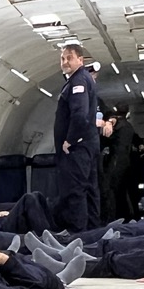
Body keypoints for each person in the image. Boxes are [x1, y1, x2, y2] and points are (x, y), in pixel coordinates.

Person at [53, 44, 101, 232]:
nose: (65, 62)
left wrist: (70, 140)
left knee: (76, 191)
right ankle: (93, 233)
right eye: (63, 58)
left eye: (69, 58)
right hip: (87, 146)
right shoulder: (80, 79)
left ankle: (77, 235)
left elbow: (80, 115)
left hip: (78, 148)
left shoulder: (78, 81)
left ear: (80, 60)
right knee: (89, 190)